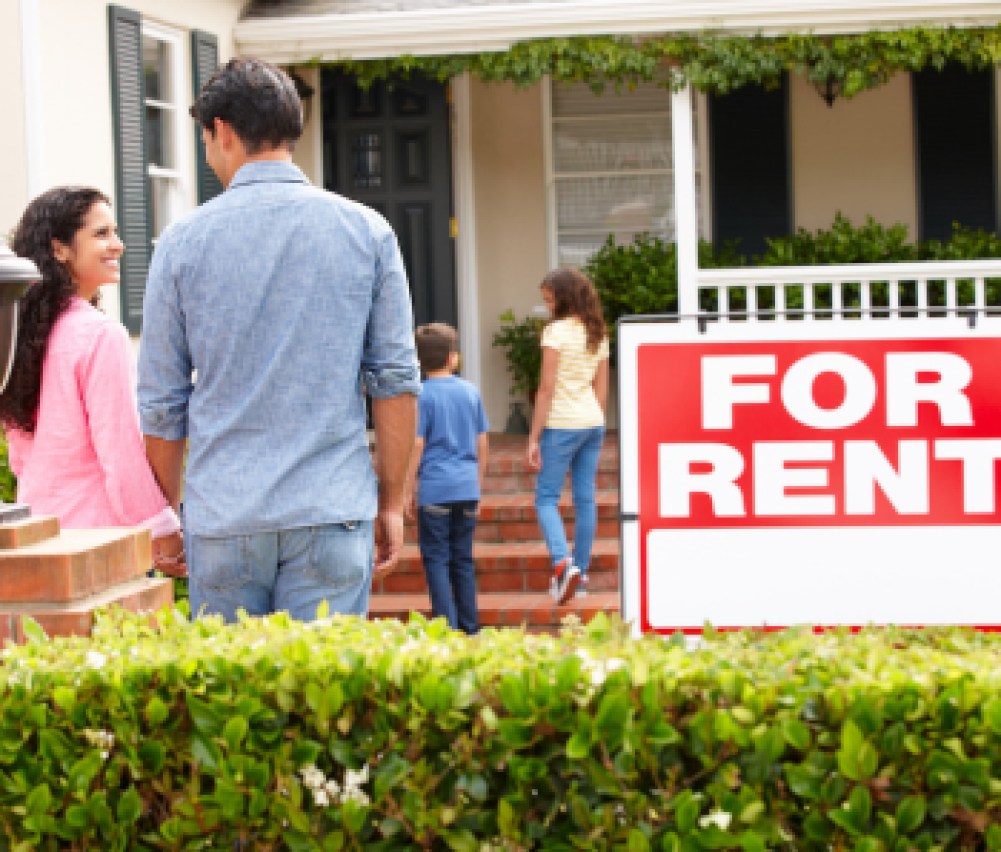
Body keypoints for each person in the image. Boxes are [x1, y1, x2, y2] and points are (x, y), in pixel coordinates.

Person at [137, 58, 420, 623]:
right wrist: (391, 501)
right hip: (331, 505)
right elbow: (394, 382)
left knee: (230, 703)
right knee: (323, 704)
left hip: (225, 515)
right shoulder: (367, 231)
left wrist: (164, 515)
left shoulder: (181, 243)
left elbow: (163, 404)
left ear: (220, 131)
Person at [0, 187, 184, 574]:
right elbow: (120, 453)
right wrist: (162, 529)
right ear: (60, 248)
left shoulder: (20, 336)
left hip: (39, 535)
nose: (117, 245)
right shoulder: (100, 335)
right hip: (101, 542)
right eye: (101, 234)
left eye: (115, 233)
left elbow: (20, 455)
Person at [526, 268, 609, 604]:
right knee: (584, 499)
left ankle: (563, 564)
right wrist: (596, 420)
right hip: (592, 422)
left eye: (549, 299)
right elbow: (601, 389)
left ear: (565, 297)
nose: (547, 306)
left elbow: (546, 389)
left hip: (562, 424)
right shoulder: (597, 331)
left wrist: (533, 437)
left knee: (546, 498)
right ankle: (582, 576)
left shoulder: (555, 333)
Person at [404, 323, 489, 634]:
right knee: (463, 560)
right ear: (453, 358)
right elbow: (482, 441)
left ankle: (446, 628)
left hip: (435, 489)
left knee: (437, 560)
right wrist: (477, 485)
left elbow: (417, 444)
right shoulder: (471, 392)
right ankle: (470, 628)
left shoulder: (421, 396)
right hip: (466, 487)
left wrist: (406, 489)